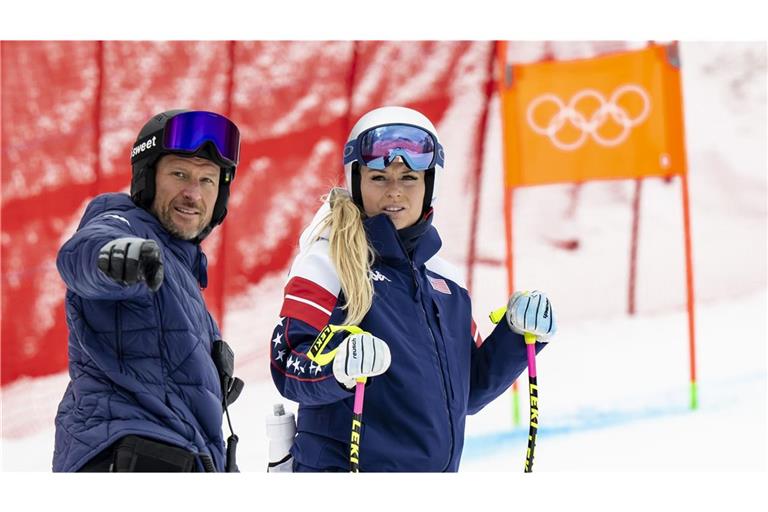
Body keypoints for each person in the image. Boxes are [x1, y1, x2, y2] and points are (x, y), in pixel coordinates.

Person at [269, 106, 557, 472]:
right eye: (378, 178)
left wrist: (518, 337)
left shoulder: (446, 282)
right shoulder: (329, 262)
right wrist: (337, 368)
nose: (394, 192)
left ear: (429, 186)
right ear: (357, 182)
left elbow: (467, 390)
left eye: (408, 178)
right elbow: (287, 363)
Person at [53, 109, 244, 472]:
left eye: (207, 180)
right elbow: (81, 254)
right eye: (179, 174)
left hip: (180, 458)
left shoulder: (182, 273)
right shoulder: (123, 223)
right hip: (130, 454)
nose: (193, 193)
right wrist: (115, 259)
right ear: (148, 178)